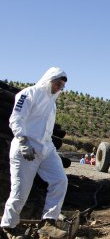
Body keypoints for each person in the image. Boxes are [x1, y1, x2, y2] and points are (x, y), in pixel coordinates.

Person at [1, 67, 68, 239]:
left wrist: (49, 147)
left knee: (60, 180)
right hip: (26, 148)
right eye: (58, 83)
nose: (59, 88)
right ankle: (8, 227)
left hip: (46, 148)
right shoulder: (28, 94)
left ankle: (48, 222)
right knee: (20, 192)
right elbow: (16, 118)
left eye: (62, 86)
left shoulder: (52, 103)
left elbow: (45, 129)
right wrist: (23, 141)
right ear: (49, 79)